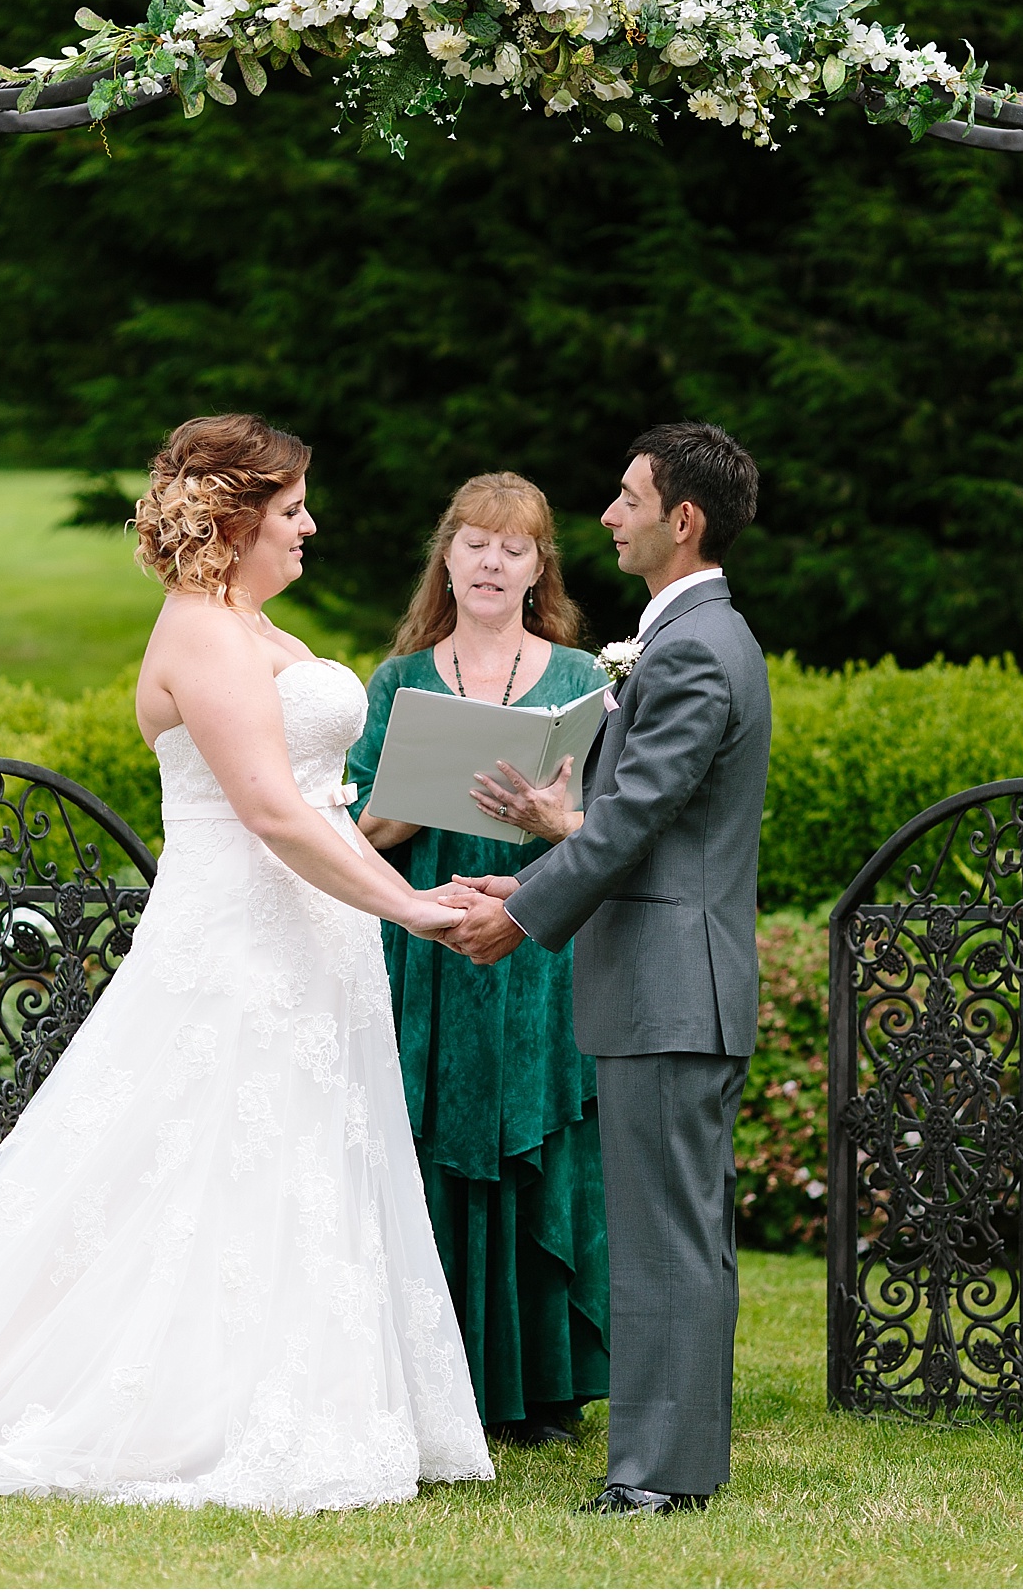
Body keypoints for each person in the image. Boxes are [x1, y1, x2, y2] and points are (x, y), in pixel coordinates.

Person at [0, 414, 492, 1513]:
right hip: (239, 937)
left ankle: (306, 1385)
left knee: (295, 1147)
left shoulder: (257, 628)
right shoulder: (200, 631)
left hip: (312, 936)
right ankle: (192, 1399)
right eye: (292, 510)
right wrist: (409, 913)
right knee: (196, 1153)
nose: (311, 526)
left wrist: (425, 874)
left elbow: (321, 803)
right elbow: (265, 810)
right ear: (236, 519)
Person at [442, 423, 770, 1516]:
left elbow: (631, 821)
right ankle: (680, 1462)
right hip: (671, 979)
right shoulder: (692, 638)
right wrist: (535, 862)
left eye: (627, 497)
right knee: (682, 1233)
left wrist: (522, 916)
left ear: (682, 520)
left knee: (666, 1238)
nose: (608, 515)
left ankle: (655, 1476)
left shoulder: (690, 648)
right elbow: (647, 827)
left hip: (671, 989)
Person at [348, 473, 610, 1444]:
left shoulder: (584, 679)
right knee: (421, 1141)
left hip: (538, 941)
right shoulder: (397, 680)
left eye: (515, 546)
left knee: (536, 1141)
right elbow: (354, 834)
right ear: (445, 555)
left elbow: (610, 831)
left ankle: (540, 1385)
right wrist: (405, 807)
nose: (492, 561)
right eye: (474, 542)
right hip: (425, 938)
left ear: (540, 566)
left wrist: (552, 821)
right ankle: (428, 1375)